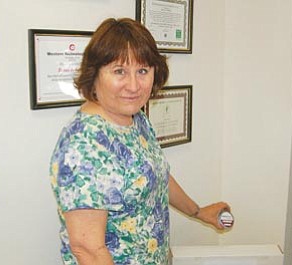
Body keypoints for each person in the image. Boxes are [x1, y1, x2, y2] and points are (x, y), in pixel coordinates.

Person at [49, 17, 231, 265]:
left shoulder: (135, 119)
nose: (134, 85)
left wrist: (197, 211)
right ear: (95, 75)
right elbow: (87, 249)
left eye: (142, 70)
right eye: (119, 71)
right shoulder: (85, 145)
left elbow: (155, 174)